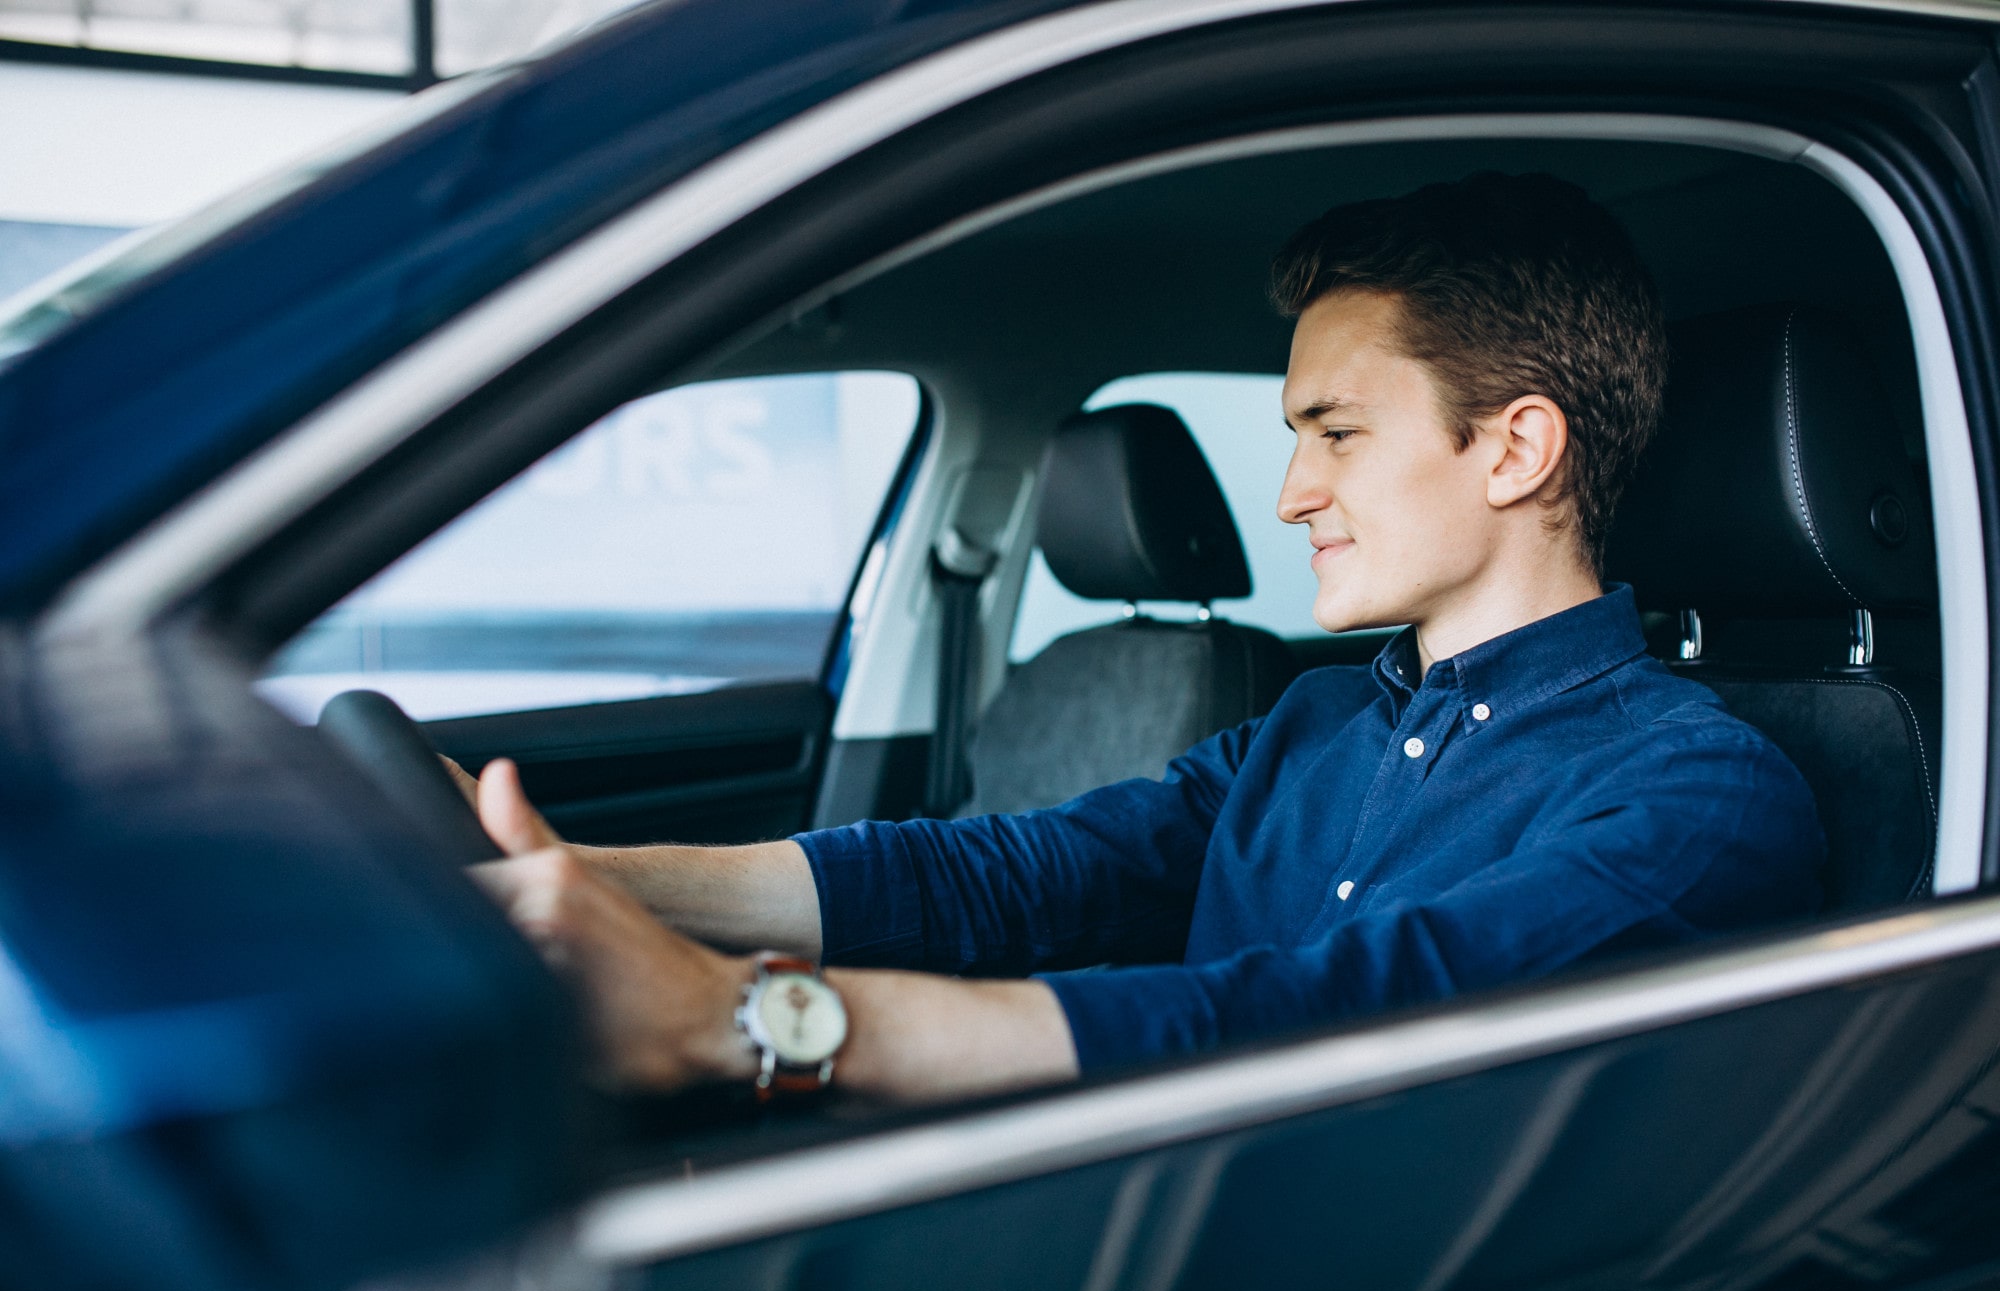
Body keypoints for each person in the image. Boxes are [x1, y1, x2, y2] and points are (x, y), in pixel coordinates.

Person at [463, 173, 1825, 1105]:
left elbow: (1334, 1020)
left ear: (1517, 447)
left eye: (1336, 433)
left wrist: (744, 1023)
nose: (1291, 491)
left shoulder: (1705, 797)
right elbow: (1012, 876)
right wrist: (586, 877)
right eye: (1296, 437)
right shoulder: (1316, 720)